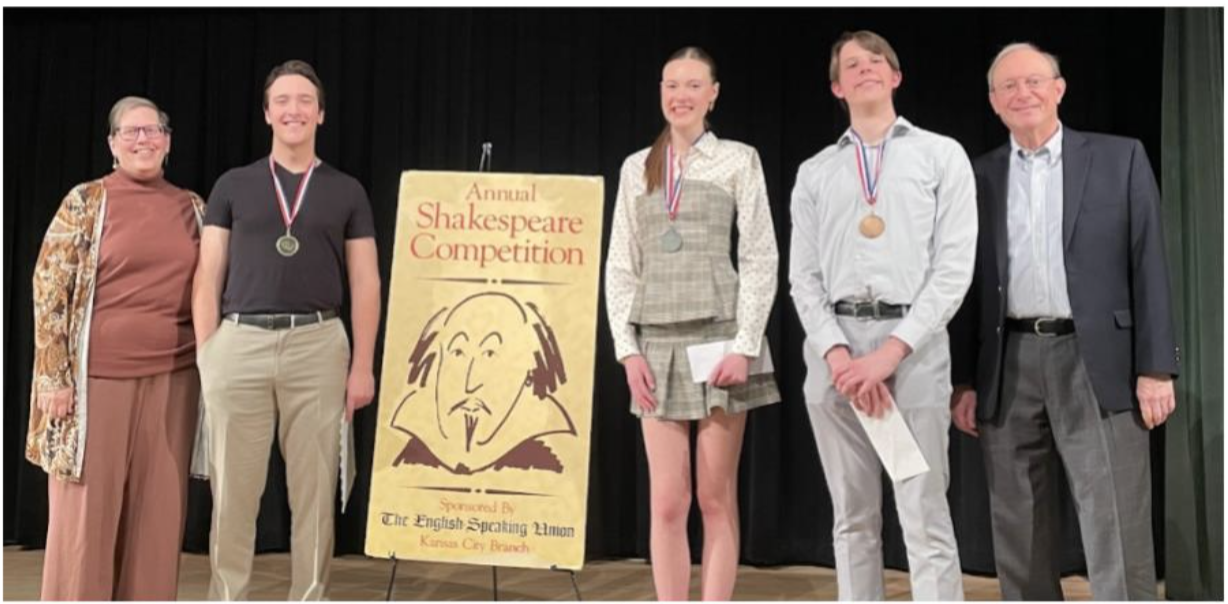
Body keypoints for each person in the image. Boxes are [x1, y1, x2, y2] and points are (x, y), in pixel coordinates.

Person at [948, 42, 1178, 600]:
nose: (1022, 93)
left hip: (1097, 358)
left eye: (1033, 81)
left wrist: (1156, 368)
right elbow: (964, 282)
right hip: (1008, 359)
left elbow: (1149, 263)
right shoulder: (977, 176)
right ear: (993, 102)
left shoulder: (1120, 158)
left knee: (1113, 516)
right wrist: (965, 380)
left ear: (1058, 89)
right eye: (1008, 86)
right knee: (1018, 522)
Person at [788, 30, 975, 600]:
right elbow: (803, 277)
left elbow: (953, 269)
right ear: (836, 87)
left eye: (876, 61)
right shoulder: (816, 171)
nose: (865, 69)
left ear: (895, 77)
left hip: (912, 349)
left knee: (923, 511)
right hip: (836, 357)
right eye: (851, 64)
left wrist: (889, 354)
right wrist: (838, 355)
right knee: (852, 518)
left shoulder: (940, 155)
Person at [192, 59, 381, 601]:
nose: (293, 110)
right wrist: (209, 354)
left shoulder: (347, 190)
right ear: (267, 113)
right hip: (239, 344)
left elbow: (366, 282)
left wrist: (362, 366)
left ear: (320, 114)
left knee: (314, 492)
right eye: (282, 100)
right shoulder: (233, 185)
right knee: (233, 492)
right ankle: (227, 595)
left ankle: (309, 595)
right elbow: (208, 275)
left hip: (318, 344)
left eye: (304, 101)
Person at [605, 46, 780, 601]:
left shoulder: (738, 159)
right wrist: (627, 350)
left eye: (692, 85)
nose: (680, 95)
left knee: (714, 496)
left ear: (713, 94)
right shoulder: (637, 166)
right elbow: (621, 265)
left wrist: (745, 345)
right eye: (671, 85)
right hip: (656, 343)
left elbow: (759, 255)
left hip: (720, 338)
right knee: (667, 501)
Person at [28, 96, 205, 600]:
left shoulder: (195, 208)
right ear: (112, 144)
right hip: (94, 383)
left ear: (167, 141)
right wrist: (53, 376)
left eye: (152, 131)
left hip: (174, 380)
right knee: (86, 520)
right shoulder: (85, 201)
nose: (142, 140)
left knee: (158, 517)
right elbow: (49, 288)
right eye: (131, 132)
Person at [390, 291, 577, 475]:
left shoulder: (547, 464)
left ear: (529, 371)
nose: (470, 384)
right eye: (458, 353)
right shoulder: (409, 457)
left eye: (489, 355)